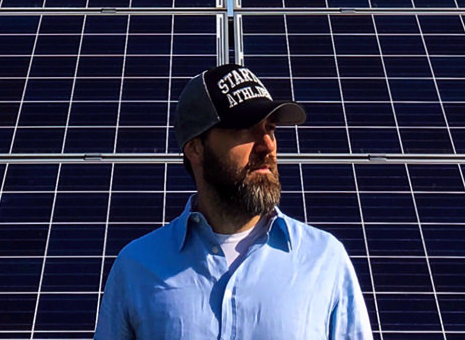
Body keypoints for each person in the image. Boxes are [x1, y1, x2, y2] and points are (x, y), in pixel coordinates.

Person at [93, 63, 374, 340]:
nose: (267, 145)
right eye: (245, 128)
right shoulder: (137, 267)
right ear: (195, 148)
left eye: (271, 128)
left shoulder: (324, 260)